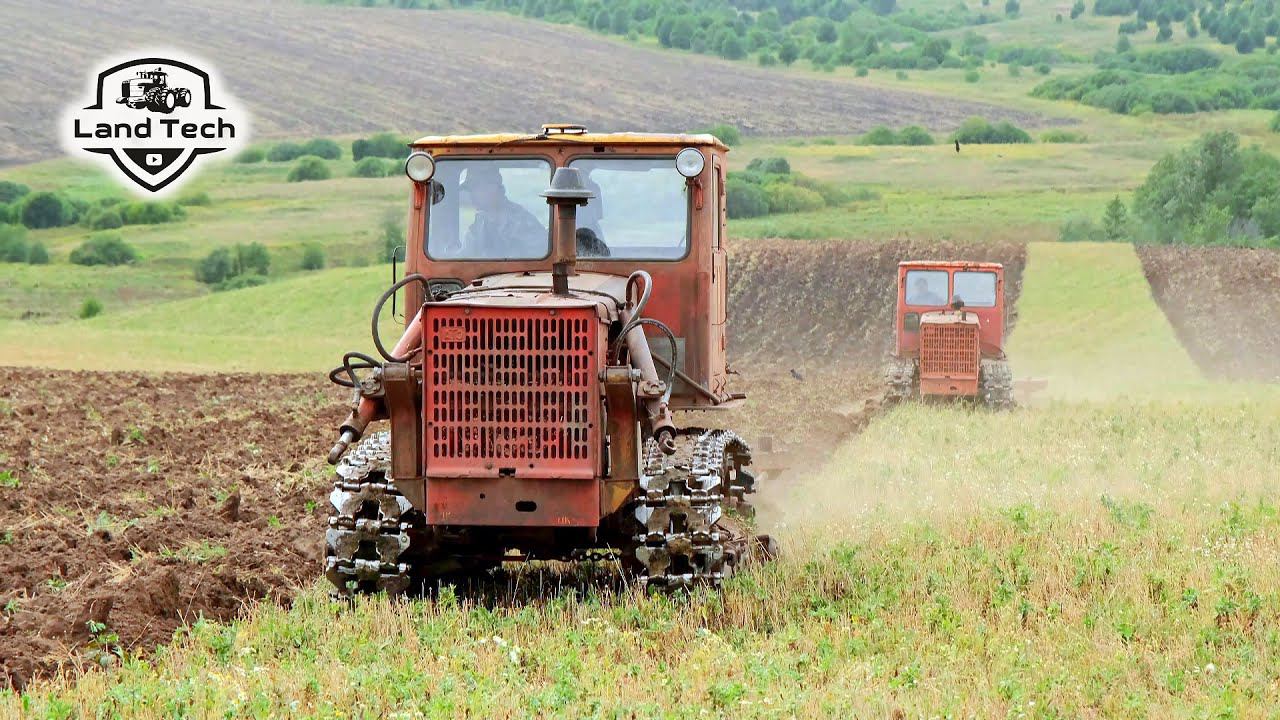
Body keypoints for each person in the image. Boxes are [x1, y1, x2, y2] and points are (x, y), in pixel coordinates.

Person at [458, 165, 547, 258]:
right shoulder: (478, 224)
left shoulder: (522, 221)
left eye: (475, 188)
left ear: (492, 188)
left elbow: (539, 265)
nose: (472, 194)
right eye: (471, 190)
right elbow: (464, 258)